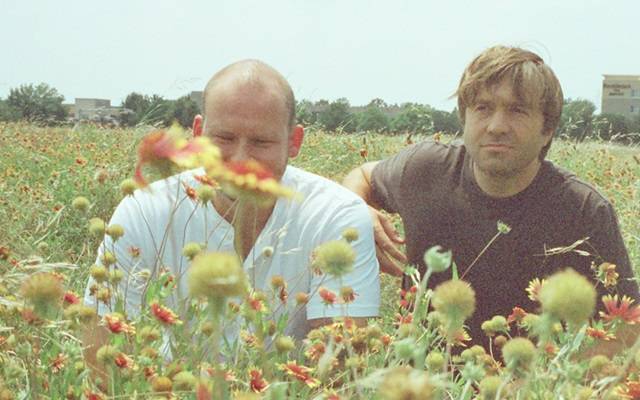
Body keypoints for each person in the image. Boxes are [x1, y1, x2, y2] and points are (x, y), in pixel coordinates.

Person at [82, 60, 380, 369]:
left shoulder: (335, 215)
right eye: (223, 138)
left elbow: (340, 369)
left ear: (294, 142)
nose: (240, 159)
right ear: (198, 133)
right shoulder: (145, 210)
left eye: (261, 142)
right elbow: (101, 358)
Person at [342, 45, 639, 347]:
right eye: (482, 108)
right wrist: (356, 209)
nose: (497, 127)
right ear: (465, 117)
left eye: (517, 110)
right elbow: (364, 176)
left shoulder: (583, 210)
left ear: (547, 129)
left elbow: (627, 329)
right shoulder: (426, 170)